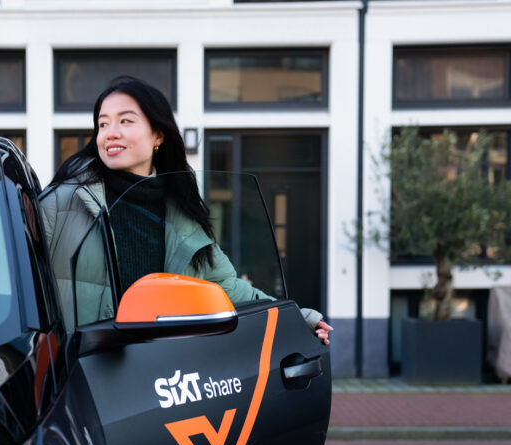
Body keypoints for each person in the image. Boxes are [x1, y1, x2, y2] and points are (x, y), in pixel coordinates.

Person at [38, 75, 330, 343]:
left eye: (125, 121)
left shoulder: (184, 216)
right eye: (103, 124)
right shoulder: (61, 204)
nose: (110, 133)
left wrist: (299, 320)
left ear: (158, 136)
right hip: (78, 381)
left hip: (157, 383)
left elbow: (228, 291)